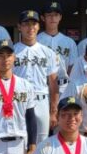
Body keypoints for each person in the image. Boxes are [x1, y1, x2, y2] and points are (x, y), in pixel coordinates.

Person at [13, 10, 59, 144]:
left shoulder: (48, 52)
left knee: (42, 142)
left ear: (39, 26)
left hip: (41, 100)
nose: (30, 28)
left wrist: (53, 111)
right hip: (18, 99)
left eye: (34, 24)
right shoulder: (12, 51)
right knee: (20, 140)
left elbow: (53, 83)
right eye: (26, 24)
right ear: (19, 27)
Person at [38, 1, 76, 91]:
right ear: (43, 18)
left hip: (64, 86)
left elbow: (72, 67)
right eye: (49, 15)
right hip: (42, 86)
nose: (53, 18)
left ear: (60, 17)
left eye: (56, 15)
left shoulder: (69, 42)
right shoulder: (37, 40)